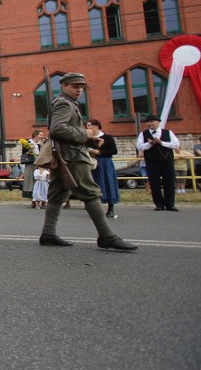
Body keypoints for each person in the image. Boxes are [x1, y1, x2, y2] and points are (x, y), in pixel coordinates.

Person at [38, 73, 137, 250]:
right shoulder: (63, 103)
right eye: (75, 86)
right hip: (72, 156)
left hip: (67, 154)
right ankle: (106, 236)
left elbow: (64, 130)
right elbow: (58, 128)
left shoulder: (66, 102)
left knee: (56, 195)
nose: (79, 90)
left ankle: (48, 234)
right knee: (91, 193)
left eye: (81, 87)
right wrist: (87, 134)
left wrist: (87, 140)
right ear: (64, 85)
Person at [136, 114, 179, 211]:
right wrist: (149, 144)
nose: (149, 123)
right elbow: (139, 147)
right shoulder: (143, 134)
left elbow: (176, 144)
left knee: (169, 182)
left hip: (167, 160)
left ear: (158, 122)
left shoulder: (168, 132)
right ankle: (159, 204)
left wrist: (161, 143)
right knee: (154, 182)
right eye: (148, 122)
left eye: (152, 121)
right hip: (152, 161)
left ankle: (170, 204)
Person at [86, 119, 120, 218]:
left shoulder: (107, 137)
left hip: (105, 162)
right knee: (93, 185)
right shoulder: (88, 139)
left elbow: (113, 150)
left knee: (108, 183)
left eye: (89, 126)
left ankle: (111, 208)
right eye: (87, 126)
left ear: (96, 126)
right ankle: (96, 208)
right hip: (92, 163)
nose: (88, 128)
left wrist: (99, 152)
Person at [22, 130, 45, 206]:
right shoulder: (28, 143)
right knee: (31, 180)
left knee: (39, 181)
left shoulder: (40, 144)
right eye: (40, 135)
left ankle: (40, 199)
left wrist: (42, 146)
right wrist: (30, 150)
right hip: (31, 164)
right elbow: (24, 154)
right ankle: (33, 200)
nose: (42, 136)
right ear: (35, 135)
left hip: (39, 164)